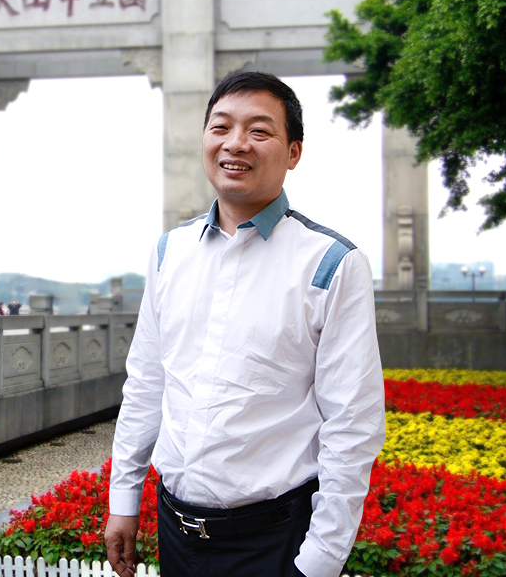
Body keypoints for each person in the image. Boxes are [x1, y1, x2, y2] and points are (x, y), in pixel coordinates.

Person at [105, 72, 385, 577]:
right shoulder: (170, 253)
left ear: (293, 153)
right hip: (175, 532)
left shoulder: (331, 264)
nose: (236, 143)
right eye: (221, 127)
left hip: (273, 542)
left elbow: (353, 424)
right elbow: (147, 383)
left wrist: (319, 562)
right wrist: (123, 501)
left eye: (259, 131)